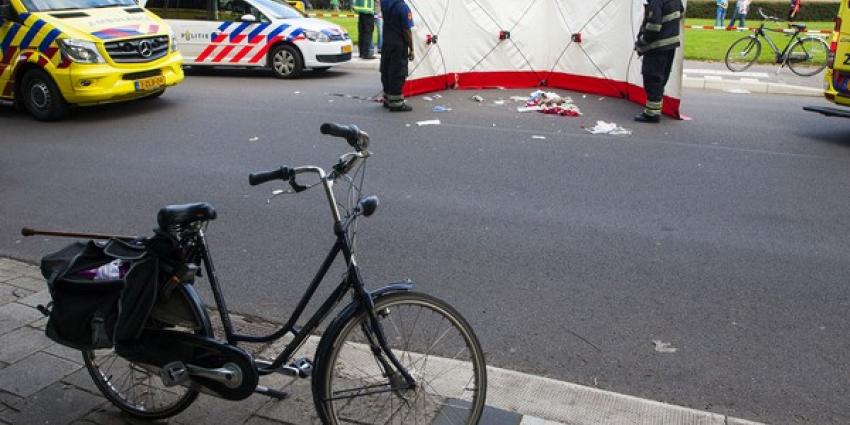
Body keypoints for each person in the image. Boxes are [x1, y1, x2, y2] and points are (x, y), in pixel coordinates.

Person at [634, 0, 684, 123]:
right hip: (670, 44)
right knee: (661, 77)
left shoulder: (655, 1)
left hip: (657, 46)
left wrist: (642, 41)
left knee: (652, 78)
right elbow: (681, 12)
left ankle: (652, 114)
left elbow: (654, 26)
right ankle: (655, 109)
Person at [380, 0, 414, 112]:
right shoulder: (403, 8)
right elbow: (406, 30)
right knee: (397, 73)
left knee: (386, 70)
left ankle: (387, 99)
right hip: (398, 45)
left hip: (386, 43)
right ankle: (396, 104)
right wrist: (412, 48)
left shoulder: (384, 3)